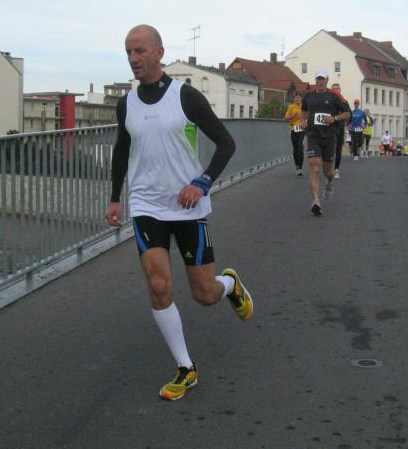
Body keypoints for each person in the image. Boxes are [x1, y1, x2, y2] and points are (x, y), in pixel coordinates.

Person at [105, 24, 253, 402]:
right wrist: (115, 198)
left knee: (204, 294)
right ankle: (186, 368)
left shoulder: (184, 96)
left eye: (140, 51)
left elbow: (226, 143)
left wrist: (202, 182)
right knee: (158, 285)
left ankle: (230, 285)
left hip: (187, 207)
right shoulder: (126, 104)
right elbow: (121, 150)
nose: (133, 58)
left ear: (159, 52)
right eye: (128, 52)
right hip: (146, 205)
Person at [302, 70, 350, 215]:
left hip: (329, 137)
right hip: (313, 135)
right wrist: (303, 121)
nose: (320, 82)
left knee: (327, 172)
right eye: (318, 79)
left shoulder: (334, 95)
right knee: (315, 167)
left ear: (327, 80)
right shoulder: (308, 96)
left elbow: (347, 113)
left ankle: (329, 182)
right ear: (315, 80)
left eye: (322, 79)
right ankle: (316, 201)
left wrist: (334, 119)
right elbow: (303, 111)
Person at [329, 83, 351, 179]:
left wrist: (347, 123)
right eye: (334, 89)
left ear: (340, 90)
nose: (335, 91)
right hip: (329, 127)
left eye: (337, 89)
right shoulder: (328, 101)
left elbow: (350, 114)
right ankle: (329, 167)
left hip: (340, 127)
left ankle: (336, 169)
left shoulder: (344, 101)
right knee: (329, 148)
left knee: (338, 149)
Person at [283, 91, 306, 176]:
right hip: (293, 129)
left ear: (301, 98)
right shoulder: (291, 107)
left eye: (299, 97)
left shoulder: (304, 106)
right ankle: (297, 165)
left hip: (302, 129)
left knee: (300, 148)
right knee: (295, 149)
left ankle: (300, 168)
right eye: (296, 97)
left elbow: (308, 116)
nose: (298, 99)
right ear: (294, 99)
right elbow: (285, 118)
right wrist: (293, 115)